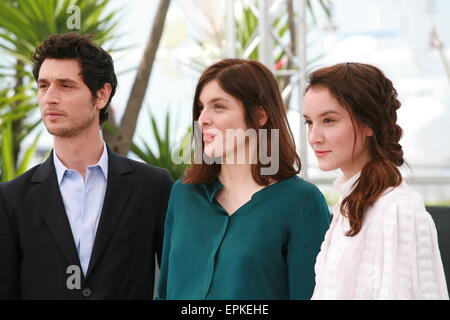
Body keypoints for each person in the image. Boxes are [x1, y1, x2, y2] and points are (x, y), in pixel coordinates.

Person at [0, 33, 172, 299]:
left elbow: (175, 283)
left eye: (65, 86)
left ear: (101, 95)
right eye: (43, 85)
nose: (50, 98)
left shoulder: (152, 187)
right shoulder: (11, 198)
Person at [156, 58, 330, 300]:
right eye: (200, 107)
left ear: (260, 115)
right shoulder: (184, 194)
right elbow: (163, 292)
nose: (202, 119)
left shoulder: (301, 202)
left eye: (219, 106)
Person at [303, 62, 449, 299]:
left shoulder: (397, 211)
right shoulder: (348, 205)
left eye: (328, 120)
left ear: (368, 123)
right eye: (309, 122)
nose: (314, 137)